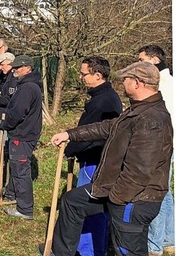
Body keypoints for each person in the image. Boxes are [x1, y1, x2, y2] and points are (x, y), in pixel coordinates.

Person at [45, 61, 173, 256]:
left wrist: (115, 200)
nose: (122, 84)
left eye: (126, 80)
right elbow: (107, 127)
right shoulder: (138, 110)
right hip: (117, 191)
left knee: (127, 250)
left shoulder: (151, 120)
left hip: (134, 200)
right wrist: (70, 134)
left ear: (137, 83)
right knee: (73, 201)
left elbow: (139, 173)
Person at [63, 56, 122, 256]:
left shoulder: (103, 102)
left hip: (95, 160)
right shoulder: (103, 97)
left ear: (97, 75)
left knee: (90, 207)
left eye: (84, 73)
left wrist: (70, 149)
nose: (81, 77)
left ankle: (89, 251)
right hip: (94, 158)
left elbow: (92, 133)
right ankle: (87, 247)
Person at [137, 45, 175, 256]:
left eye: (143, 60)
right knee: (166, 192)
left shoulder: (162, 85)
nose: (140, 63)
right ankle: (169, 239)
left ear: (154, 60)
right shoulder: (169, 82)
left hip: (161, 145)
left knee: (155, 192)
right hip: (168, 145)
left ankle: (155, 245)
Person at [0, 55, 42, 220]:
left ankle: (25, 209)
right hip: (25, 133)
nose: (14, 70)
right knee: (17, 169)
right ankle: (12, 194)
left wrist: (5, 124)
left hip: (22, 135)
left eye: (18, 67)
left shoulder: (27, 88)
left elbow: (17, 113)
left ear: (28, 68)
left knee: (21, 171)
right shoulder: (29, 85)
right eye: (13, 67)